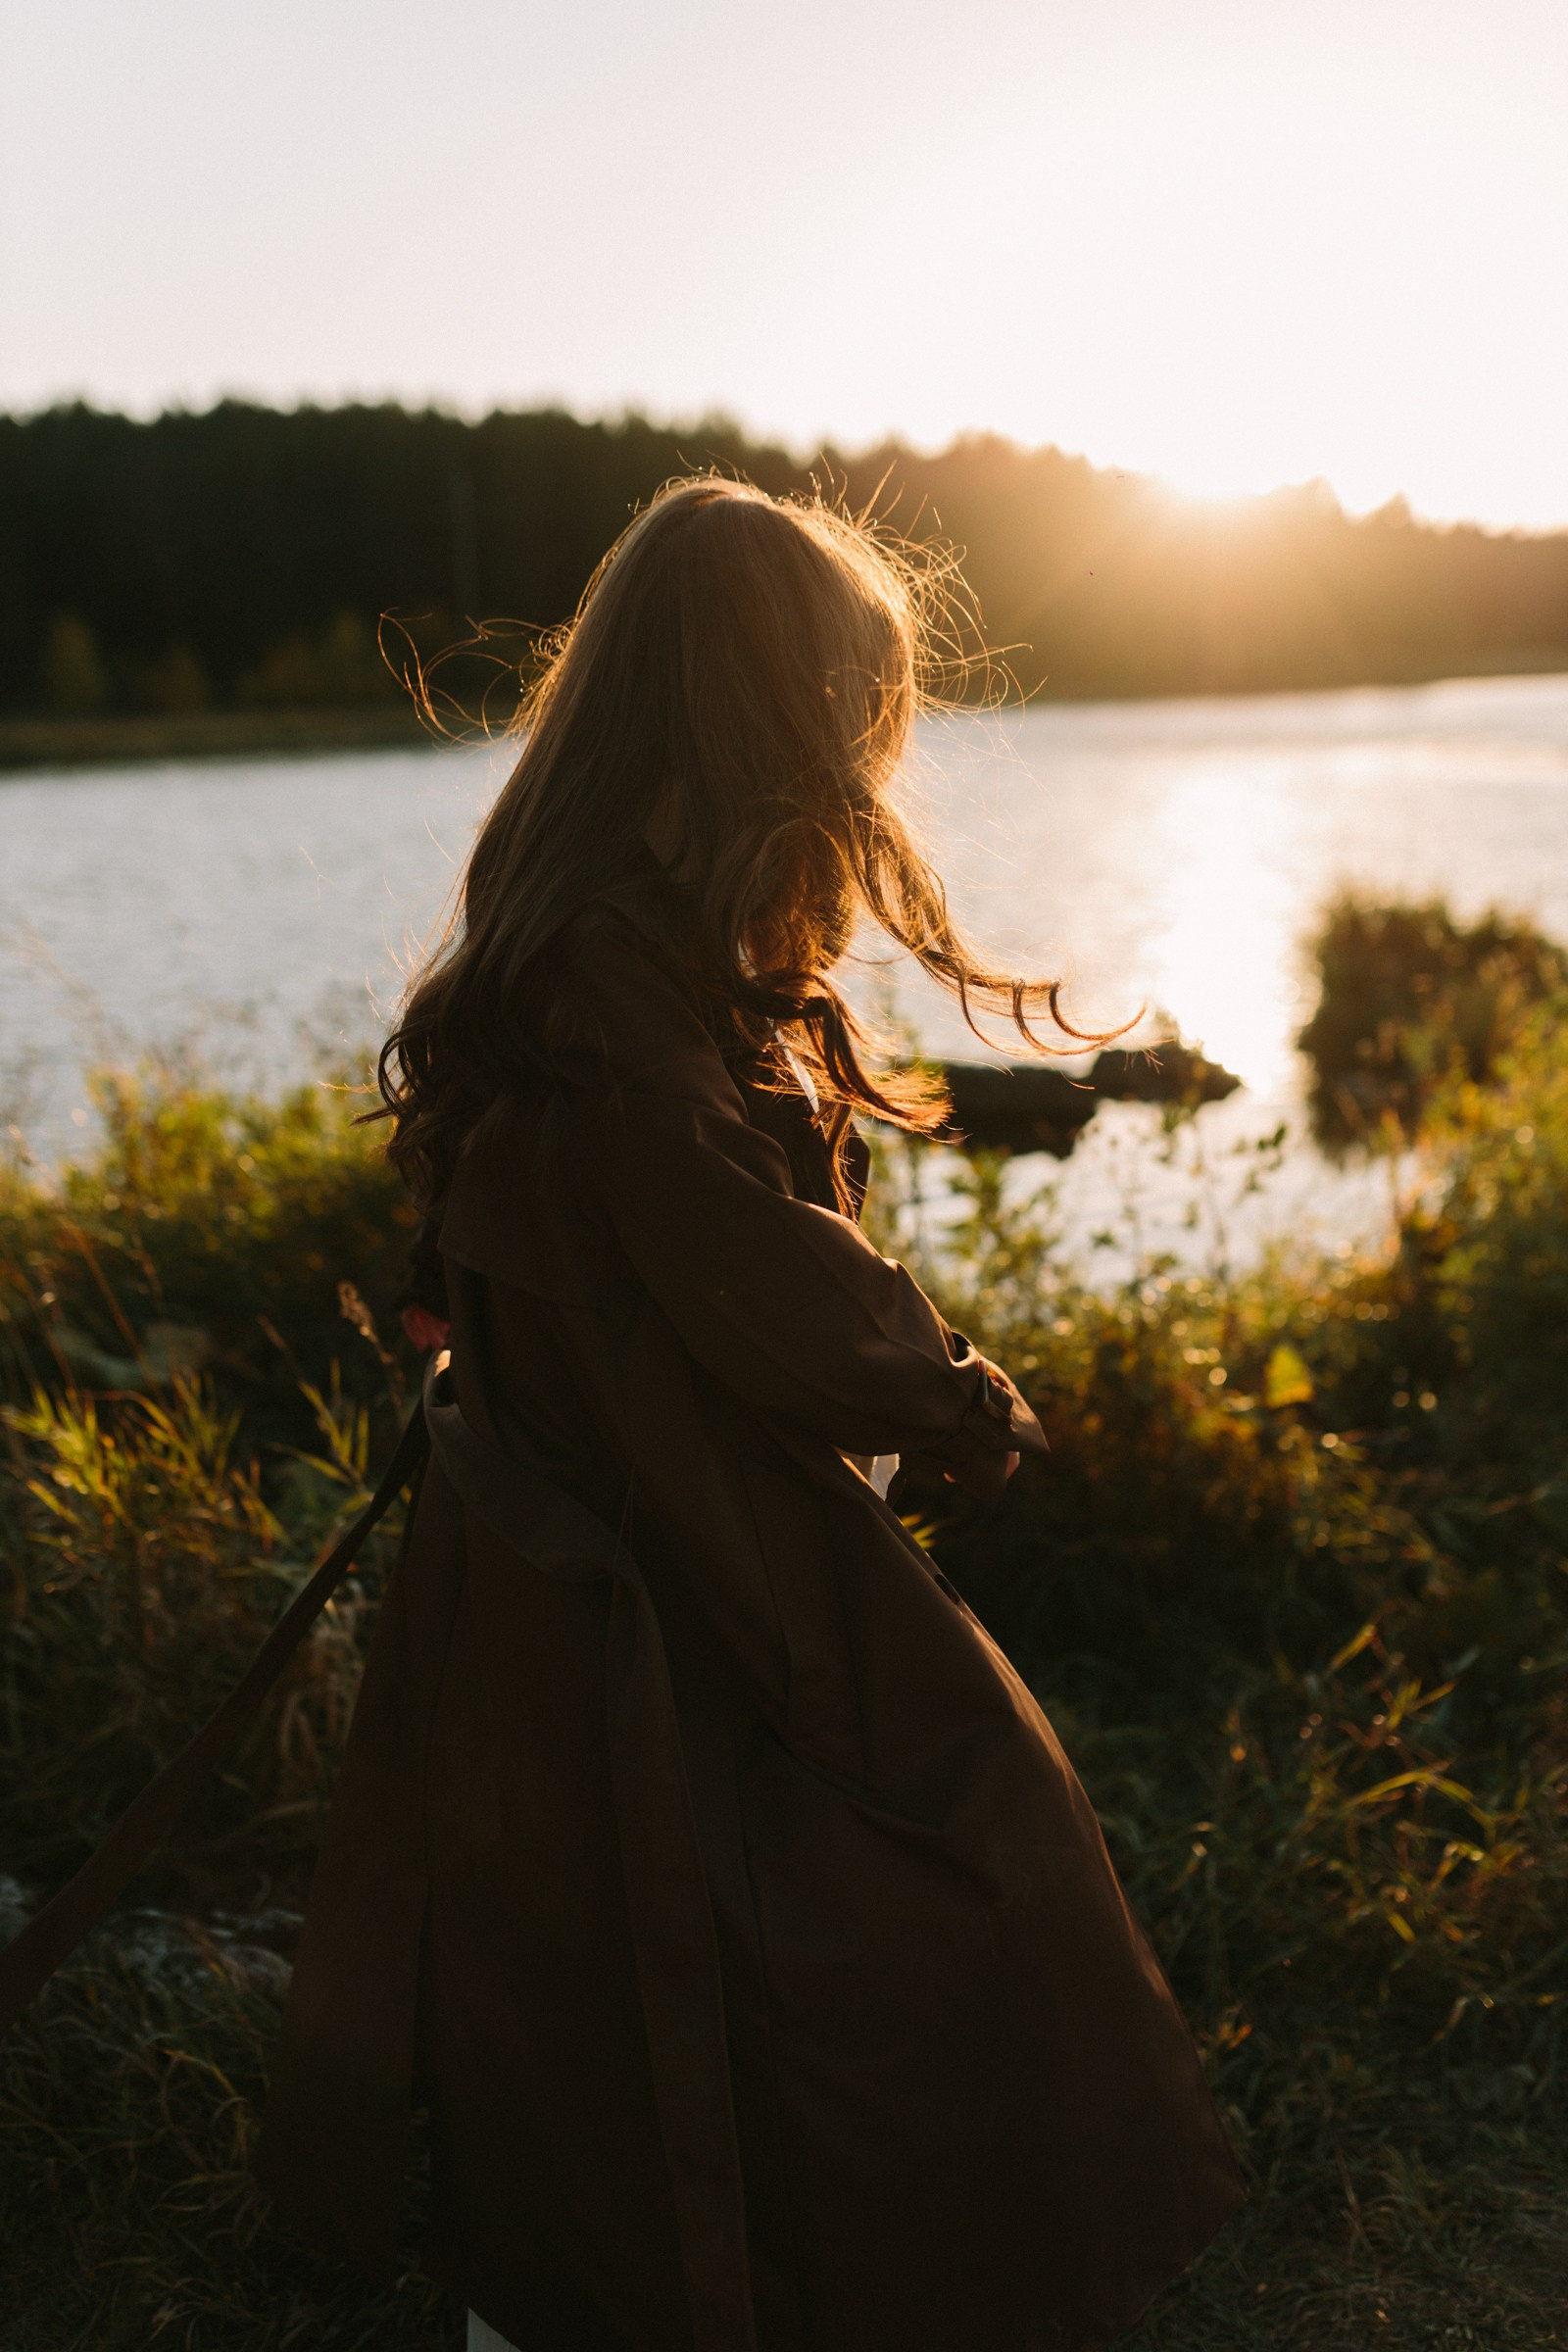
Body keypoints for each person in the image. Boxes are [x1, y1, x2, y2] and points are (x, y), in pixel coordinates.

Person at [258, 476, 1244, 2351]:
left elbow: (524, 1265)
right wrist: (952, 1398)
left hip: (581, 1555)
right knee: (946, 1864)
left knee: (622, 1955)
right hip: (673, 1566)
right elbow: (753, 1273)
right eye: (850, 725)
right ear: (767, 724)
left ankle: (675, 2278)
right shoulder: (614, 989)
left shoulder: (579, 947)